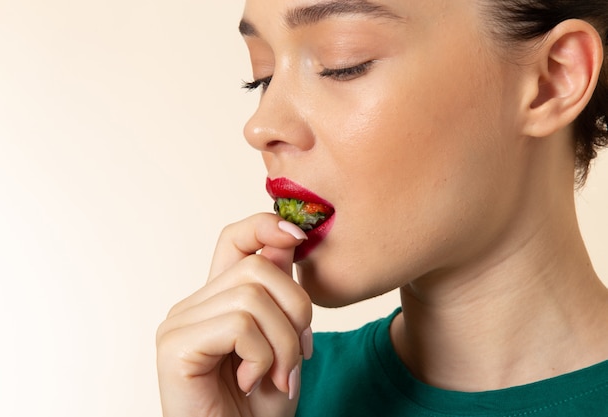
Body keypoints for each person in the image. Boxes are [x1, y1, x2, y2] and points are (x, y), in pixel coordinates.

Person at [156, 0, 608, 416]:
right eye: (263, 75)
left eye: (342, 65)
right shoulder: (261, 394)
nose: (260, 126)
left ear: (553, 79)